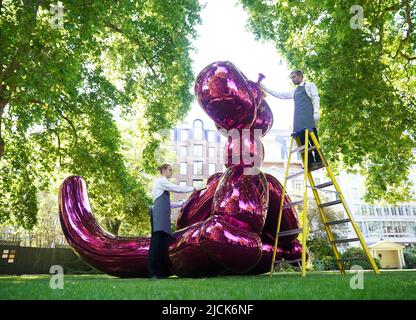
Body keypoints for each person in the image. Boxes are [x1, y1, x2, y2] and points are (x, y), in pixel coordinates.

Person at [260, 70, 323, 170]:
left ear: (300, 76)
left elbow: (316, 98)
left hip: (308, 118)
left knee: (313, 139)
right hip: (298, 120)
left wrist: (316, 111)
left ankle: (319, 160)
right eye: (292, 78)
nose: (292, 79)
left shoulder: (309, 85)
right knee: (302, 142)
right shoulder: (294, 91)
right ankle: (309, 163)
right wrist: (266, 88)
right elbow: (280, 95)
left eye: (294, 77)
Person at [148, 163, 197, 279]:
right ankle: (153, 273)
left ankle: (162, 272)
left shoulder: (163, 186)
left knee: (163, 245)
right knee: (156, 245)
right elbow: (176, 188)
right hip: (158, 217)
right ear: (164, 170)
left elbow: (168, 204)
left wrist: (182, 203)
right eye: (170, 170)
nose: (171, 172)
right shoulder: (161, 181)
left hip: (164, 219)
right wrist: (193, 188)